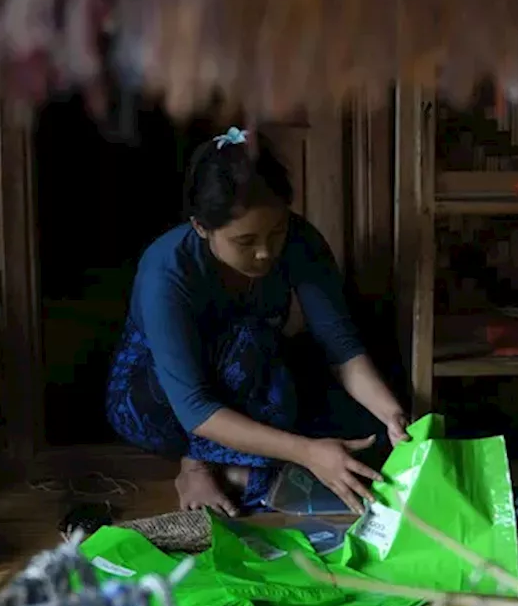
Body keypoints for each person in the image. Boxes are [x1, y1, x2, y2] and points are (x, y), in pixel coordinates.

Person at [106, 128, 408, 515]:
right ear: (201, 227)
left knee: (364, 425)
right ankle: (200, 465)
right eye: (245, 242)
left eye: (277, 232)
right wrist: (307, 452)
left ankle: (235, 467)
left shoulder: (301, 243)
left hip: (248, 372)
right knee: (251, 346)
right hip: (158, 400)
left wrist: (390, 413)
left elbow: (342, 349)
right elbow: (194, 406)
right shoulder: (167, 270)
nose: (265, 253)